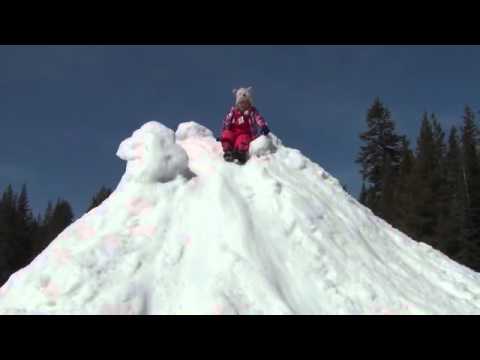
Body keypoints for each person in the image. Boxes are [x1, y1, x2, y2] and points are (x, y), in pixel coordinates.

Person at [219, 87, 270, 164]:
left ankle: (241, 153)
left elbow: (259, 118)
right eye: (241, 103)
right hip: (233, 132)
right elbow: (226, 121)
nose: (243, 105)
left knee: (243, 139)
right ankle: (228, 151)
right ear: (238, 104)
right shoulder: (233, 112)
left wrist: (263, 126)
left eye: (246, 103)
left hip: (245, 133)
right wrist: (222, 134)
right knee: (227, 134)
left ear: (249, 103)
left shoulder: (252, 112)